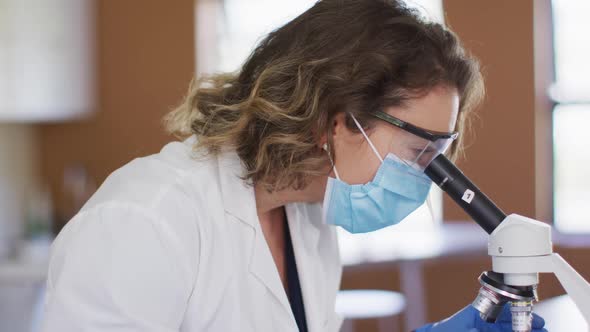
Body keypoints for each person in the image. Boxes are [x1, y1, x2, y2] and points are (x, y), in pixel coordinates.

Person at [41, 1, 547, 331]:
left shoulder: (306, 218)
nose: (427, 176)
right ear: (333, 118)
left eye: (440, 152)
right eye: (420, 152)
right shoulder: (145, 220)